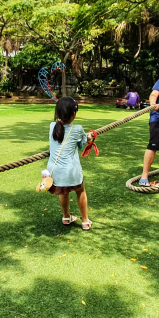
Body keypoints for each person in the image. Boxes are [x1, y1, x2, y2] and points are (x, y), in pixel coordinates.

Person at [45, 96, 95, 231]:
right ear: (74, 114)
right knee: (80, 190)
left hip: (54, 171)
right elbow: (80, 146)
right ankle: (85, 221)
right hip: (71, 171)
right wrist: (88, 137)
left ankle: (66, 217)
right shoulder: (77, 129)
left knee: (63, 191)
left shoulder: (52, 126)